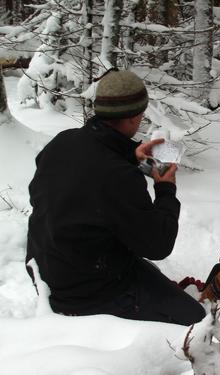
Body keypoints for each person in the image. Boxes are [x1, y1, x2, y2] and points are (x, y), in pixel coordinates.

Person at [26, 69, 205, 325]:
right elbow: (158, 245)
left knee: (151, 278)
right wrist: (165, 188)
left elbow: (91, 171)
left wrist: (132, 154)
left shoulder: (62, 142)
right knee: (194, 318)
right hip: (84, 290)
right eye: (141, 114)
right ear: (133, 118)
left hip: (47, 266)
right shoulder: (118, 177)